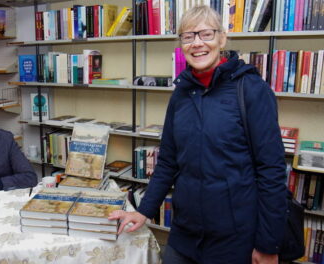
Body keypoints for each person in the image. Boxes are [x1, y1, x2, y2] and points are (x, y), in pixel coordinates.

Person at [109, 5, 287, 264]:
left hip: (235, 241)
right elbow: (168, 161)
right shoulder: (181, 93)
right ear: (181, 44)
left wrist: (268, 244)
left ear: (222, 39)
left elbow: (271, 170)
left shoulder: (251, 89)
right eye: (188, 36)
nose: (197, 43)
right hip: (184, 236)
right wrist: (144, 211)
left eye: (206, 34)